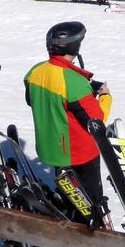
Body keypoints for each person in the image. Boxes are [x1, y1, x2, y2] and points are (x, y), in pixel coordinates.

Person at [25, 21, 114, 219]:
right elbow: (96, 122)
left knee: (68, 194)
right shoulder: (73, 82)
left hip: (54, 149)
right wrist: (105, 97)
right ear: (75, 46)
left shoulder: (35, 72)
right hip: (79, 153)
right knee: (89, 203)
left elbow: (33, 100)